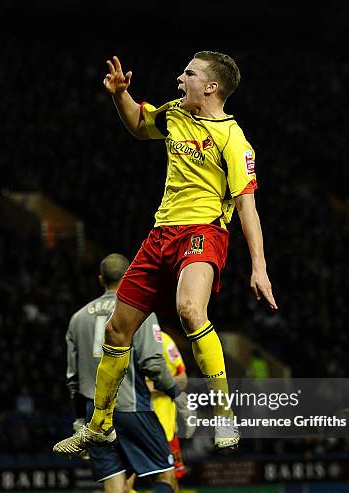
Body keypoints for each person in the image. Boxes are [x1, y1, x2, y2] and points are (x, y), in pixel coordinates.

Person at [54, 50, 277, 456]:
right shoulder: (175, 113)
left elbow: (248, 206)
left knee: (191, 309)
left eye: (189, 73)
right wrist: (120, 95)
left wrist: (259, 267)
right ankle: (100, 426)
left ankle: (224, 414)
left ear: (211, 87)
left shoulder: (234, 140)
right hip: (160, 235)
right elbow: (140, 125)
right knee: (117, 331)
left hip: (204, 231)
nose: (179, 78)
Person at [55, 253, 187, 493]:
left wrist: (78, 420)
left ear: (100, 279)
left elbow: (72, 378)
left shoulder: (76, 319)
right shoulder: (140, 310)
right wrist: (176, 395)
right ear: (129, 276)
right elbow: (153, 363)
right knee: (165, 478)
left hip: (93, 415)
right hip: (132, 408)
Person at [125, 330, 189, 493]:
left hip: (163, 428)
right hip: (130, 426)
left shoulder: (163, 340)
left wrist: (155, 385)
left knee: (171, 490)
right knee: (121, 491)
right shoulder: (119, 337)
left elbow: (182, 379)